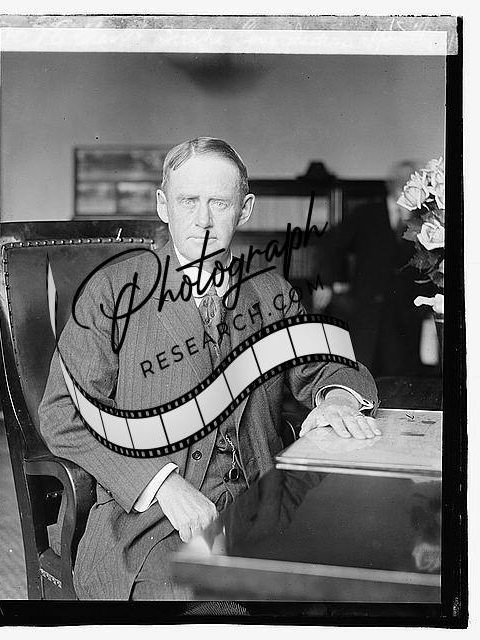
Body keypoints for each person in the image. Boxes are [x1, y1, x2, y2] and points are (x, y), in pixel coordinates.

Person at [38, 137, 380, 601]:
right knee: (211, 605)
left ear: (244, 209)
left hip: (264, 512)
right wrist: (162, 485)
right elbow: (65, 413)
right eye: (188, 201)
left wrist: (337, 399)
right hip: (149, 527)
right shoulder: (112, 292)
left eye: (219, 203)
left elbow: (329, 367)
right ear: (163, 205)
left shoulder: (271, 292)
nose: (203, 220)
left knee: (348, 581)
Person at [312, 161, 433, 376]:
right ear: (390, 184)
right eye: (401, 181)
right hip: (368, 311)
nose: (405, 185)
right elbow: (331, 244)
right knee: (364, 372)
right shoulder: (366, 214)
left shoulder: (425, 219)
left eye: (411, 181)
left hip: (406, 315)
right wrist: (328, 282)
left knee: (403, 377)